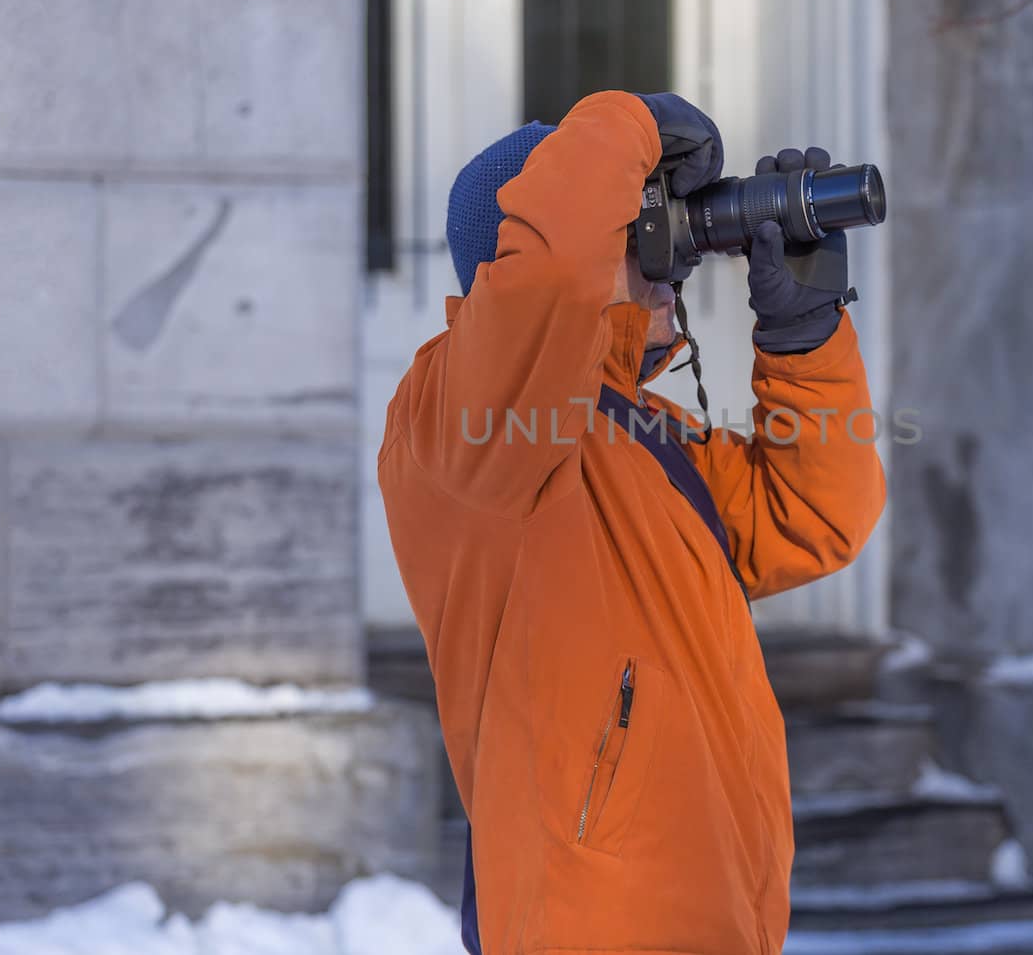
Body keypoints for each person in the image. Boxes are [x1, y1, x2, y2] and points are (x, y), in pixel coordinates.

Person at [378, 90, 886, 955]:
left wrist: (802, 336)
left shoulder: (642, 432)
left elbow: (810, 514)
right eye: (636, 227)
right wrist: (626, 120)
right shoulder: (455, 425)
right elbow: (546, 286)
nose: (665, 256)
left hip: (721, 913)